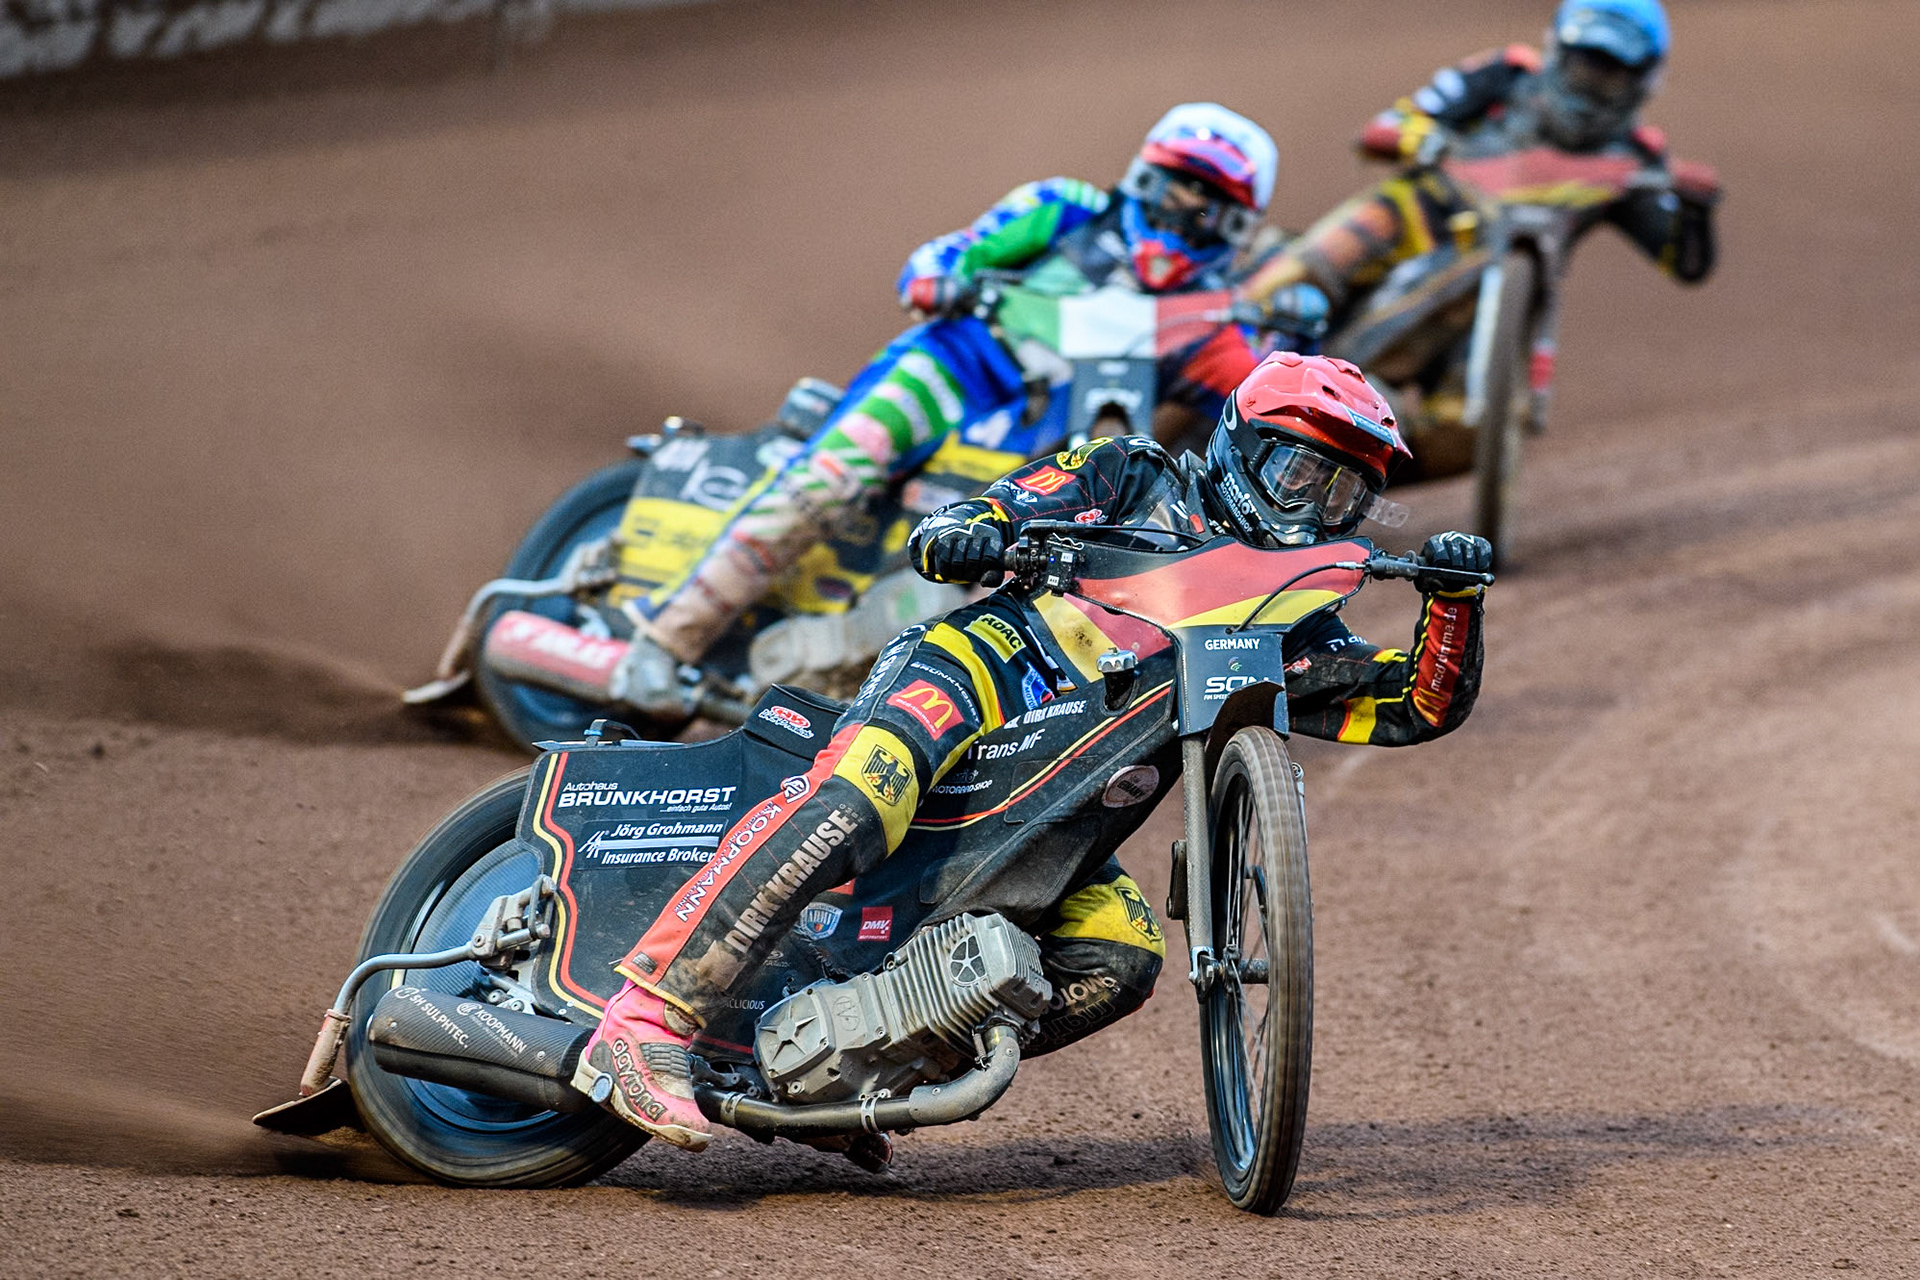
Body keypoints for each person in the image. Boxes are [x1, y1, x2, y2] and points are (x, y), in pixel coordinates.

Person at [570, 351, 1495, 1150]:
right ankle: (646, 1018)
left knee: (1121, 956)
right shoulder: (1131, 473)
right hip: (982, 670)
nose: (1316, 509)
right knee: (860, 798)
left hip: (1064, 813)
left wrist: (1455, 603)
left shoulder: (1298, 627)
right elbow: (1007, 503)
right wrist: (976, 529)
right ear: (1241, 448)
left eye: (1343, 494)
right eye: (1301, 475)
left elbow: (1415, 707)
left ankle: (864, 1079)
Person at [615, 102, 1330, 720]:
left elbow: (1257, 401)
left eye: (1206, 205)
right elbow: (951, 252)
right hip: (952, 369)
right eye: (1176, 188)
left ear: (1236, 224)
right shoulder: (1065, 208)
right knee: (830, 478)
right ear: (1145, 178)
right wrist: (942, 276)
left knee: (1001, 584)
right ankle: (662, 641)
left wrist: (1296, 344)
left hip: (1034, 449)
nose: (1183, 211)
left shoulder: (1206, 320)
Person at [1236, 0, 1720, 324]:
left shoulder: (1635, 159)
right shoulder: (1506, 75)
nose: (1590, 87)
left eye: (1611, 75)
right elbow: (1384, 128)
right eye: (1584, 67)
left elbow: (1686, 265)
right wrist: (1420, 138)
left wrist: (1696, 210)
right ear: (1558, 53)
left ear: (1642, 81)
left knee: (1453, 421)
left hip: (1496, 288)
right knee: (1295, 277)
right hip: (1411, 216)